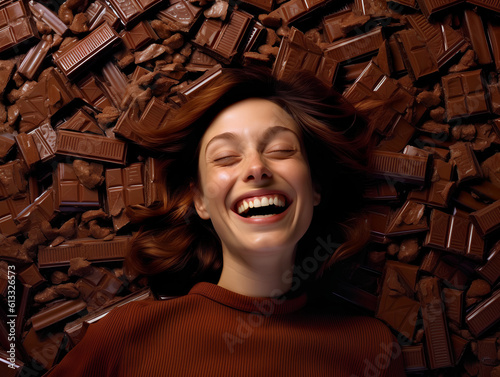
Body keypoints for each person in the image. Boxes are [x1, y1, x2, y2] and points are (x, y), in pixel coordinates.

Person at [44, 68, 405, 376]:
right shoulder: (125, 337)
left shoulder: (370, 349)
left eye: (280, 150)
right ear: (200, 200)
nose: (256, 168)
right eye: (226, 157)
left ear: (314, 188)